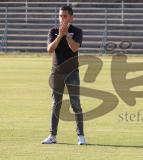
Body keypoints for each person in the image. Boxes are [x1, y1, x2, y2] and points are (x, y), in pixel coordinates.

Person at [42, 5, 86, 145]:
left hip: (72, 72)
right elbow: (50, 49)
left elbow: (74, 48)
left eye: (65, 16)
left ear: (72, 17)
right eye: (60, 16)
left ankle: (81, 136)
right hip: (57, 73)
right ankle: (52, 136)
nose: (62, 18)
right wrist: (60, 35)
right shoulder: (53, 31)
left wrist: (66, 35)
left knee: (76, 104)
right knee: (56, 104)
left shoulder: (77, 31)